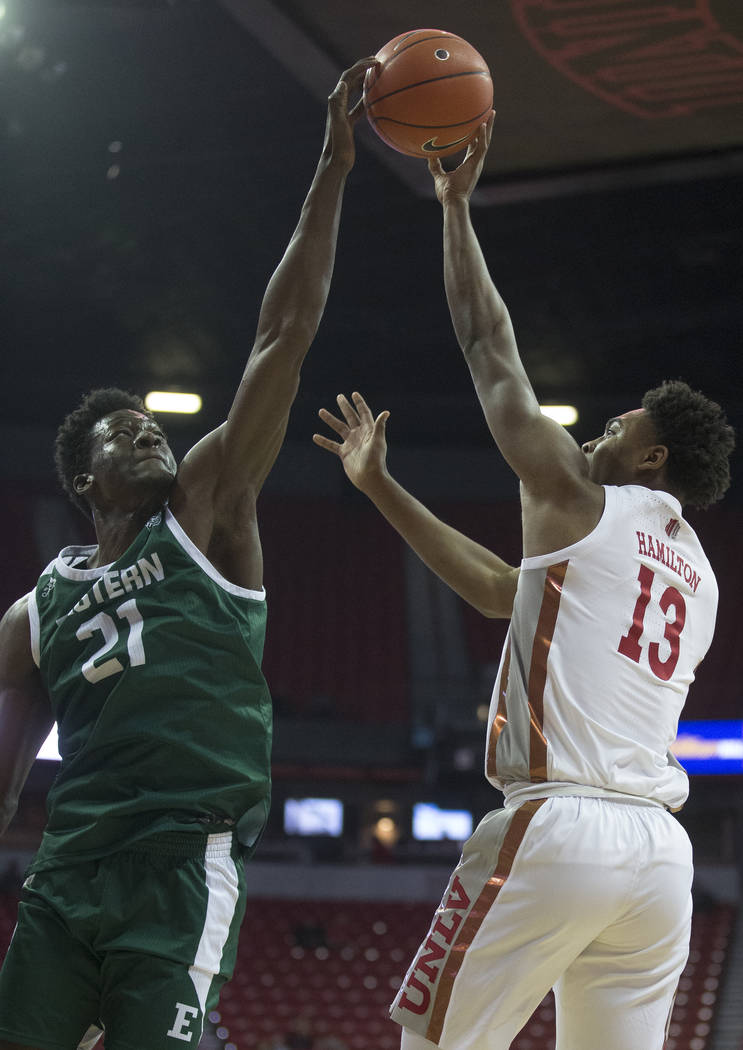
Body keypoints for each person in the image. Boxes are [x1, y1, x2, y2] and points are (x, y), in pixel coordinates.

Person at [314, 115, 735, 1050]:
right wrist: (381, 486)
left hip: (559, 827)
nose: (597, 434)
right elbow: (505, 594)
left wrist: (456, 210)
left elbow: (485, 345)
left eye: (619, 426)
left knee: (435, 1045)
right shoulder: (698, 576)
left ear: (651, 455)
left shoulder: (575, 494)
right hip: (661, 858)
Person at [0, 56, 376, 1050]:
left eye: (149, 424)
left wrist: (332, 168)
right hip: (66, 875)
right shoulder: (33, 612)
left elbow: (281, 336)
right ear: (84, 483)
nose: (144, 435)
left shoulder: (206, 510)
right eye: (118, 435)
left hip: (180, 865)